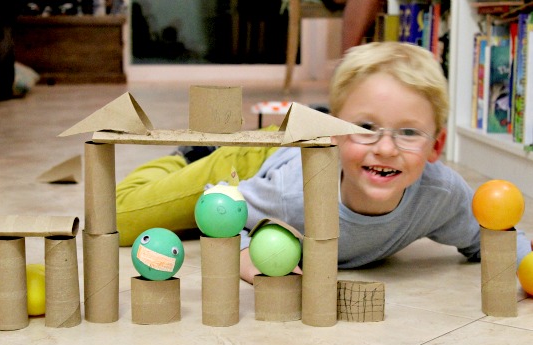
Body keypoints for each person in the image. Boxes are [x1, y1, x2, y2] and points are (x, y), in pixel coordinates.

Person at [117, 42, 532, 284]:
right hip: (262, 155)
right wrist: (251, 264)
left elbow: (493, 242)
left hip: (317, 143)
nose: (386, 148)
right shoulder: (289, 194)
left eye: (408, 132)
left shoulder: (442, 196)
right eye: (366, 126)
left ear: (436, 145)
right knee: (126, 215)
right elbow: (226, 222)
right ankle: (190, 155)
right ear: (334, 131)